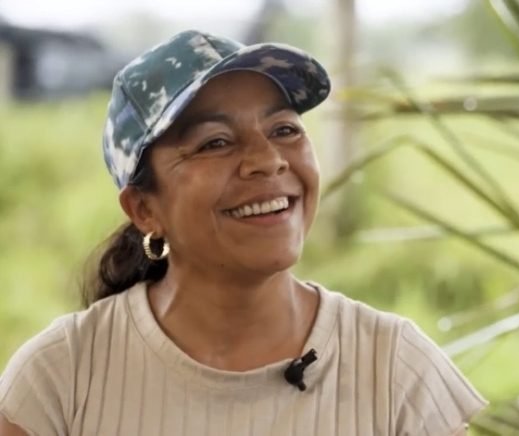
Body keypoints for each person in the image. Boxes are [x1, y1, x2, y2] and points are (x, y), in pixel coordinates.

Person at [0, 30, 487, 435]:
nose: (268, 161)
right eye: (215, 142)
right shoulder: (60, 379)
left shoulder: (394, 369)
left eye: (284, 130)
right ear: (144, 209)